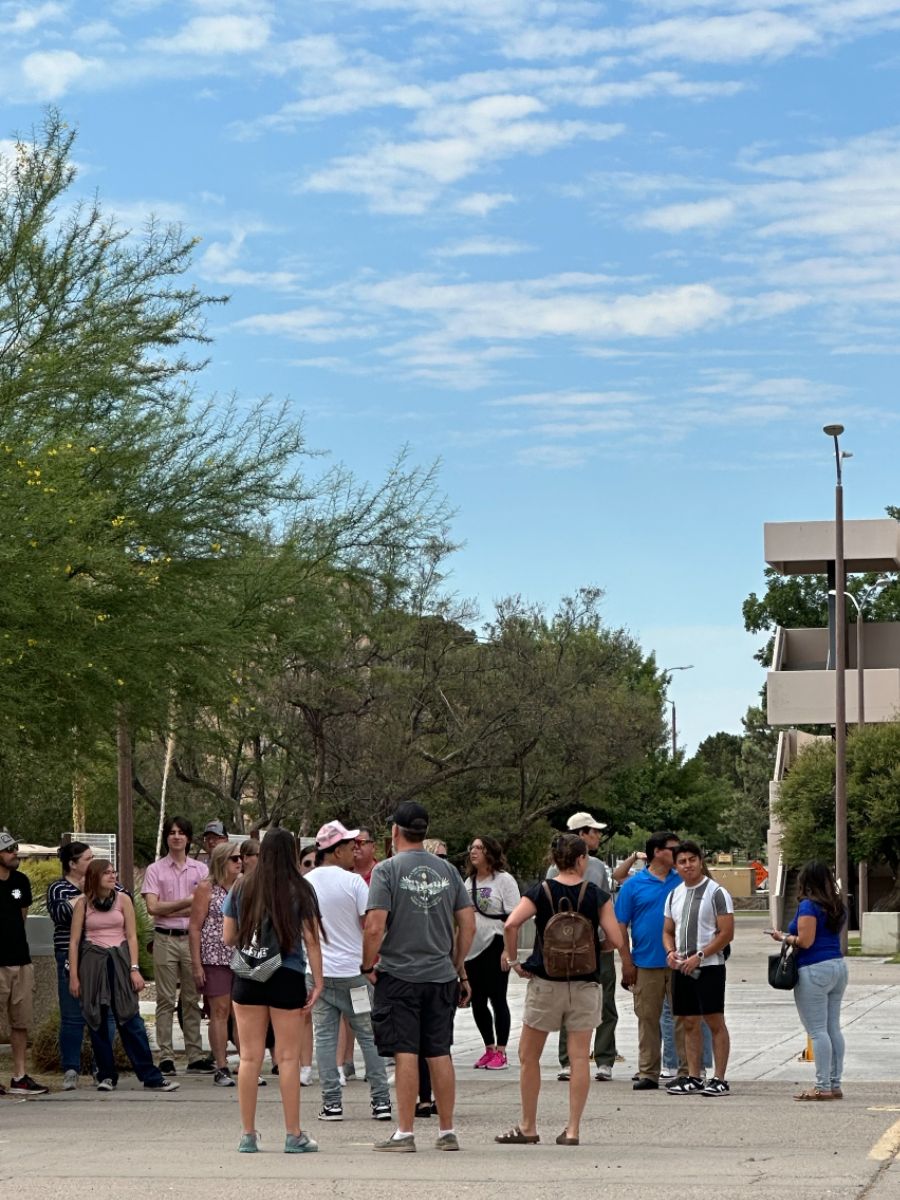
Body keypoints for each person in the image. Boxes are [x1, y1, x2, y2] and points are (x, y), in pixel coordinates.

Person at [497, 833, 622, 1147]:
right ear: (582, 860)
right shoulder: (596, 894)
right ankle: (573, 1129)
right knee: (580, 1058)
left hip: (546, 982)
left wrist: (514, 960)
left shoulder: (540, 891)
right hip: (585, 983)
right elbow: (616, 939)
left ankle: (528, 1125)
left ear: (554, 860)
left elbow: (511, 924)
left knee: (529, 1056)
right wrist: (596, 947)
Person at [363, 801, 474, 1153]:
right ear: (424, 832)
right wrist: (456, 964)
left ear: (395, 831)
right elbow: (468, 924)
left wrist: (368, 965)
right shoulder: (449, 871)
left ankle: (405, 1132)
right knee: (439, 1051)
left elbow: (374, 925)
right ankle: (447, 1130)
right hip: (440, 975)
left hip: (399, 974)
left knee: (405, 1052)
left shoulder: (387, 871)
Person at [222, 827, 325, 1154]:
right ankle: (293, 1134)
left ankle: (248, 1134)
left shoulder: (242, 886)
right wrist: (318, 981)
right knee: (288, 1057)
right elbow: (311, 940)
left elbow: (228, 937)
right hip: (287, 974)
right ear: (293, 852)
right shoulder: (301, 888)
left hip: (248, 975)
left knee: (249, 1057)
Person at [305, 820, 392, 1123]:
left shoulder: (307, 882)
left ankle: (332, 1104)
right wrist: (369, 964)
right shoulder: (354, 882)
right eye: (350, 846)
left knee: (325, 1038)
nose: (355, 851)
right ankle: (381, 1102)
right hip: (354, 973)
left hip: (318, 974)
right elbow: (369, 926)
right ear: (336, 849)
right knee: (368, 1034)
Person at [69, 860, 178, 1092]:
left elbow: (132, 937)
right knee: (97, 1019)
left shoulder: (123, 899)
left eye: (113, 871)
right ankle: (106, 1075)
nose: (112, 875)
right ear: (94, 877)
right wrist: (74, 976)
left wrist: (135, 968)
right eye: (106, 873)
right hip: (93, 962)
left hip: (120, 961)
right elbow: (75, 940)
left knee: (131, 1019)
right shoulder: (82, 904)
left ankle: (150, 1076)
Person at [767, 860, 848, 1101]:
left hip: (814, 969)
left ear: (806, 882)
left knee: (817, 1030)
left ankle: (822, 1086)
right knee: (833, 1028)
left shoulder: (808, 907)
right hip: (837, 966)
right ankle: (834, 1083)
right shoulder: (836, 906)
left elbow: (805, 941)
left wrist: (783, 936)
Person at [547, 812, 618, 1082]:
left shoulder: (599, 866)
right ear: (581, 835)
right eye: (594, 831)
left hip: (598, 945)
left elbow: (606, 906)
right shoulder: (554, 870)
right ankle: (567, 1060)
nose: (598, 836)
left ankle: (604, 1058)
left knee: (605, 1001)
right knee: (569, 1001)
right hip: (566, 948)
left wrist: (611, 941)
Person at [142, 815, 214, 1076]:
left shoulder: (201, 870)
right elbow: (153, 907)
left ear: (188, 837)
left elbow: (206, 905)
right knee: (164, 999)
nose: (176, 836)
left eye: (181, 832)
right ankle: (166, 1056)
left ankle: (195, 1055)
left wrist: (175, 905)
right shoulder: (155, 870)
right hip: (164, 938)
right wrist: (187, 901)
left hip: (192, 938)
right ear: (166, 837)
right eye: (171, 832)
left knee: (192, 999)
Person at [662, 840, 734, 1097]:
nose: (687, 865)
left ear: (700, 861)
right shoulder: (674, 894)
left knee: (715, 1021)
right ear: (676, 865)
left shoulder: (716, 892)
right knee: (688, 1022)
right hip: (682, 969)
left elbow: (726, 933)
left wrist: (701, 955)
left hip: (710, 967)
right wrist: (671, 952)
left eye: (692, 859)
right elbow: (668, 931)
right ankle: (694, 1076)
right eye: (682, 861)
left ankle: (720, 1078)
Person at [615, 830, 686, 1091]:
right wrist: (626, 961)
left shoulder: (682, 881)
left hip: (680, 961)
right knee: (647, 1018)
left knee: (682, 1017)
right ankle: (648, 1072)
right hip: (645, 962)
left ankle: (686, 1070)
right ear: (657, 852)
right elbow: (621, 925)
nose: (678, 854)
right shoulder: (634, 885)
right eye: (673, 849)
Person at [47, 841, 118, 1089]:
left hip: (104, 956)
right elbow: (61, 914)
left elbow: (120, 902)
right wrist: (88, 897)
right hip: (70, 955)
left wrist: (83, 900)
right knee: (72, 1015)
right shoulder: (58, 888)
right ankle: (71, 1069)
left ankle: (104, 1068)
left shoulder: (106, 882)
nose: (92, 863)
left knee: (106, 1014)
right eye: (87, 859)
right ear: (72, 863)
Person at [189, 841, 243, 1086]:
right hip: (214, 956)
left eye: (240, 858)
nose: (239, 862)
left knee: (242, 1013)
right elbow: (195, 926)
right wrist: (196, 964)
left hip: (241, 956)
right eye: (234, 858)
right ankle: (221, 1067)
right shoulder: (206, 888)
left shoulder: (244, 886)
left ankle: (247, 1063)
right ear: (222, 861)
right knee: (219, 1012)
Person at [465, 836, 520, 1071]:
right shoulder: (469, 881)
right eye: (472, 847)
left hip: (496, 943)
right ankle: (488, 1047)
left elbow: (514, 917)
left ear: (490, 852)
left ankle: (502, 1051)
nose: (473, 851)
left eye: (479, 847)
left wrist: (509, 950)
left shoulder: (504, 881)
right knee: (477, 1000)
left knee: (497, 998)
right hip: (472, 947)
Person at [0, 831, 48, 1095]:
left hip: (20, 960)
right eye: (8, 850)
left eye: (15, 848)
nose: (13, 853)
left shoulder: (21, 881)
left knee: (21, 1021)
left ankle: (20, 1076)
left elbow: (22, 917)